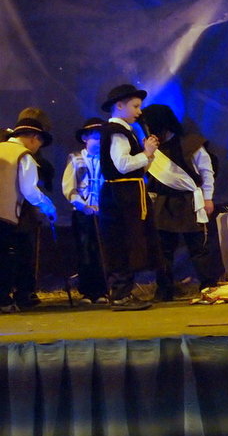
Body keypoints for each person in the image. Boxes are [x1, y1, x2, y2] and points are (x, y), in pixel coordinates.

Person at [141, 104, 218, 300]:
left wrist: (208, 197)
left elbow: (206, 172)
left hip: (189, 201)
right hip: (163, 203)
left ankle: (208, 287)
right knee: (163, 250)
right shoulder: (150, 148)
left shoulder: (191, 143)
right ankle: (164, 290)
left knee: (198, 248)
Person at [97, 83, 161, 310]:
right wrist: (146, 153)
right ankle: (120, 294)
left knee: (127, 240)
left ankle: (124, 291)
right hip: (121, 195)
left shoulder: (125, 131)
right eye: (135, 106)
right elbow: (123, 165)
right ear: (119, 105)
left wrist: (148, 156)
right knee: (121, 240)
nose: (139, 111)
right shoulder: (116, 131)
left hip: (127, 192)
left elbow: (136, 168)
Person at [0, 117, 57, 312]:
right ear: (34, 138)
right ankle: (3, 301)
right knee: (5, 257)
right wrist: (49, 207)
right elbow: (30, 191)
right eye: (40, 142)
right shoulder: (24, 157)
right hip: (4, 214)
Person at [61, 117, 107, 304]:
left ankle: (103, 290)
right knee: (85, 251)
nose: (99, 142)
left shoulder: (107, 160)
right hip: (82, 213)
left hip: (102, 212)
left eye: (102, 138)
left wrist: (102, 206)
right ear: (85, 138)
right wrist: (82, 205)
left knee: (102, 251)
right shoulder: (75, 159)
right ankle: (87, 291)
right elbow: (68, 187)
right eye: (95, 138)